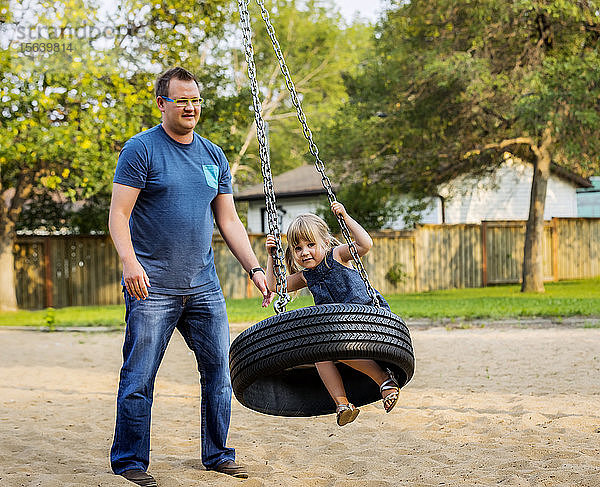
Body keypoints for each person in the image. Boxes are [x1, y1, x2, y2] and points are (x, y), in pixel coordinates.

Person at [108, 66, 273, 487]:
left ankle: (217, 454)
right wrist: (130, 263)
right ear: (162, 103)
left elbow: (230, 220)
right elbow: (119, 214)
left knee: (219, 372)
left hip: (203, 285)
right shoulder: (141, 150)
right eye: (181, 100)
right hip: (152, 286)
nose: (190, 107)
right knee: (140, 376)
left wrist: (253, 267)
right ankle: (130, 462)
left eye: (195, 99)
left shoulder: (214, 155)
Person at [265, 202, 400, 427]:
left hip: (367, 317)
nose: (304, 252)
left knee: (335, 344)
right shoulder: (307, 275)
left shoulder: (337, 255)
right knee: (320, 353)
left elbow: (365, 244)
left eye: (310, 244)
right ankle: (343, 404)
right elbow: (275, 285)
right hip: (339, 328)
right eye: (297, 248)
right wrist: (272, 256)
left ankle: (385, 381)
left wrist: (345, 217)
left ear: (325, 243)